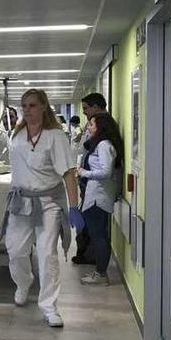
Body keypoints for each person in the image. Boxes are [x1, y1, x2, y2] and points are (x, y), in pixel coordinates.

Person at [1, 89, 85, 328]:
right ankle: (24, 282)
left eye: (33, 105)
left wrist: (73, 207)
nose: (28, 110)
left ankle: (49, 306)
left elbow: (68, 173)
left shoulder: (55, 136)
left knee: (48, 254)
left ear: (44, 107)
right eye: (24, 106)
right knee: (15, 250)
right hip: (20, 201)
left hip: (48, 203)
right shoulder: (16, 136)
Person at [77, 113, 123, 286]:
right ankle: (100, 272)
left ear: (100, 127)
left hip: (99, 196)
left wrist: (84, 173)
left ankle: (101, 274)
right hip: (96, 194)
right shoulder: (102, 144)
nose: (88, 127)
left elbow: (106, 172)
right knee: (98, 234)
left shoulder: (104, 145)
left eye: (91, 124)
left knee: (99, 236)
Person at [72, 92, 109, 266]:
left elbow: (105, 169)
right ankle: (86, 254)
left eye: (86, 108)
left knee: (96, 229)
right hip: (88, 183)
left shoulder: (104, 135)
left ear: (96, 107)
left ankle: (95, 262)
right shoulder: (94, 128)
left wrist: (84, 173)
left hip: (96, 187)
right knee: (89, 224)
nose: (85, 113)